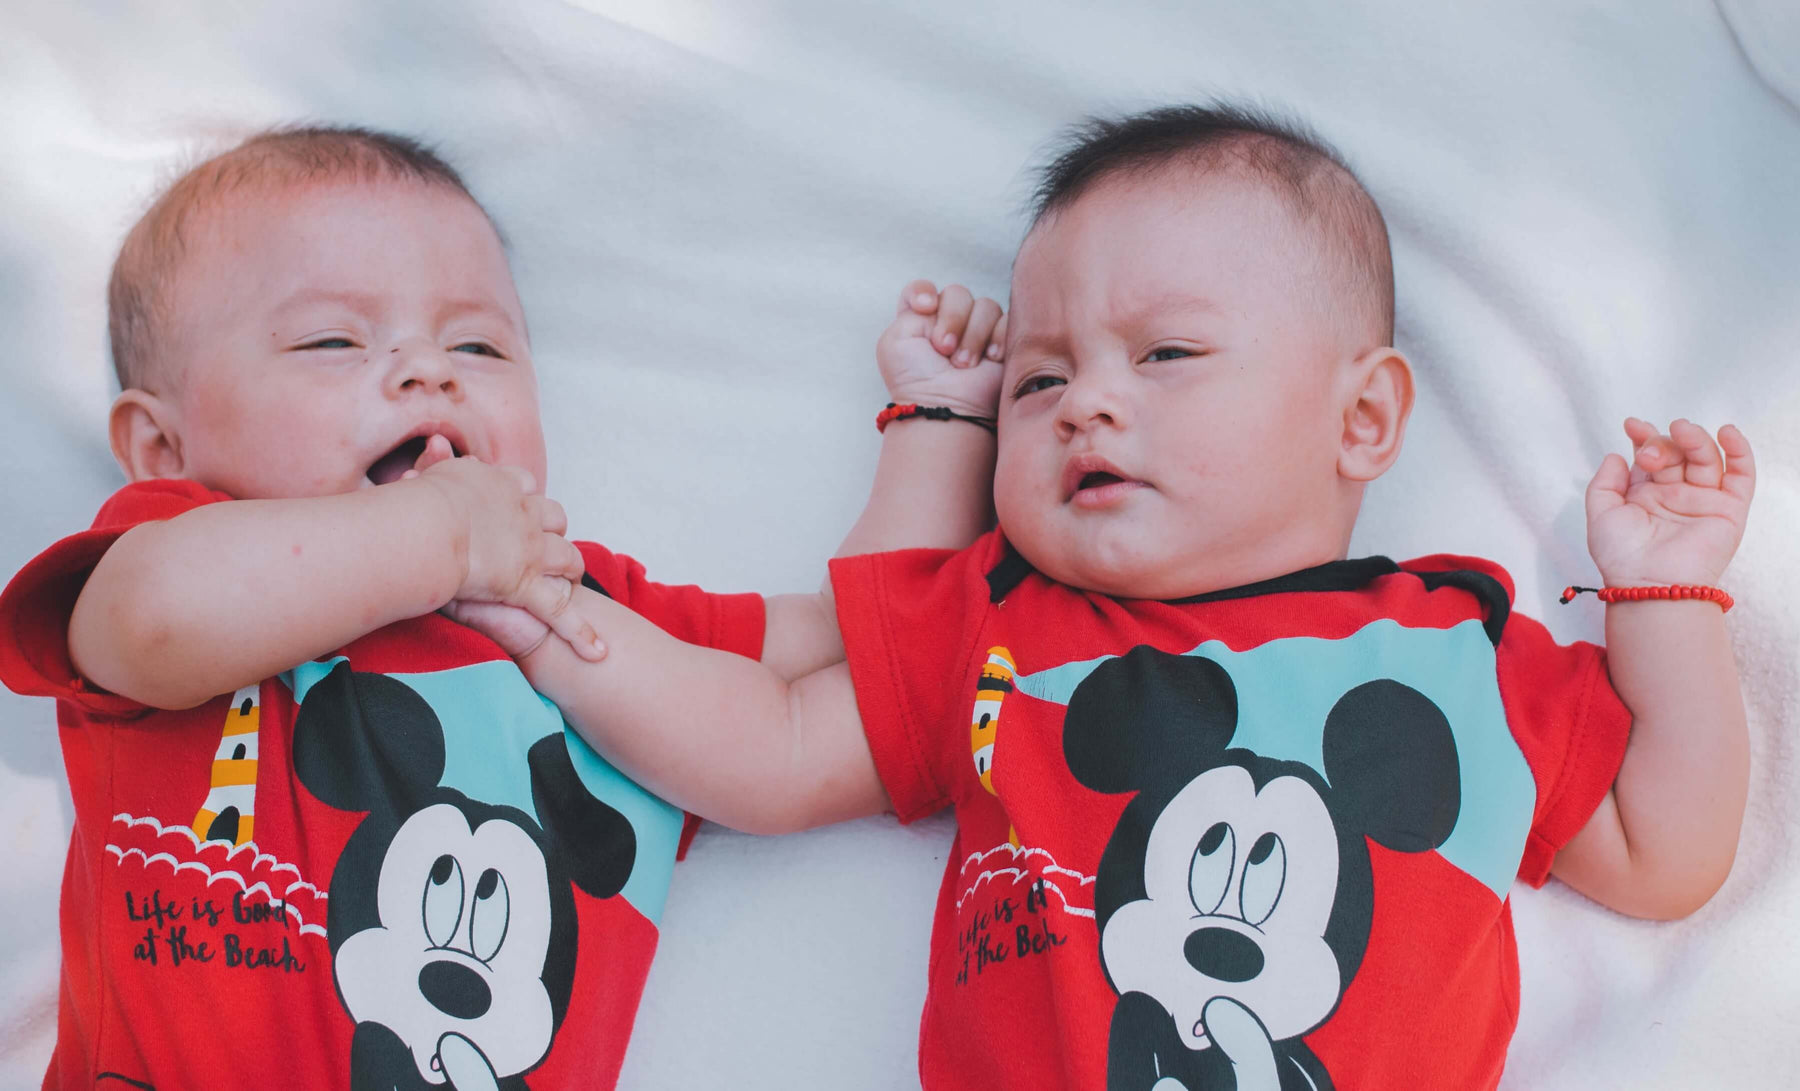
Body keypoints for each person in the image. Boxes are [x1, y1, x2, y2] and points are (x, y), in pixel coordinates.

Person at [464, 104, 1756, 1089]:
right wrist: (561, 630)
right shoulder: (1010, 630)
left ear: (1362, 416)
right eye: (1038, 379)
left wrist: (1664, 594)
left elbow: (1664, 851)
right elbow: (774, 751)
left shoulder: (1457, 656)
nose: (1088, 398)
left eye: (1169, 354)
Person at [0, 124, 1004, 1090]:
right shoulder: (179, 545)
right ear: (162, 447)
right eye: (331, 339)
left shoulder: (571, 598)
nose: (427, 370)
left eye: (478, 348)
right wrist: (440, 538)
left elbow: (844, 642)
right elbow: (151, 621)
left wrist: (939, 423)